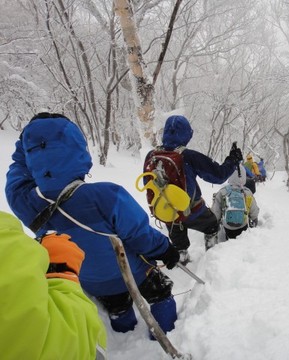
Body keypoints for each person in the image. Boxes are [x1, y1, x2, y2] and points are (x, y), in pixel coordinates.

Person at [5, 112, 180, 336]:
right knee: (161, 292)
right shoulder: (106, 195)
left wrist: (27, 145)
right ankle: (165, 335)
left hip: (89, 280)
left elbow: (16, 181)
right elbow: (141, 236)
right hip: (133, 272)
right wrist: (165, 249)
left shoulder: (26, 203)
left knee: (117, 305)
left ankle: (124, 330)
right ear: (78, 147)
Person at [0, 210, 107, 360]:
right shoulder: (6, 236)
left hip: (92, 281)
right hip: (114, 279)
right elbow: (76, 346)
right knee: (122, 309)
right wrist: (62, 274)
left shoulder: (18, 200)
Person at [144, 115, 243, 263]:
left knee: (176, 226)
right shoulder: (188, 156)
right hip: (192, 211)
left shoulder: (151, 155)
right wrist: (232, 160)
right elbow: (219, 175)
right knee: (212, 225)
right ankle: (212, 259)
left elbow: (147, 181)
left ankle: (182, 256)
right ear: (186, 134)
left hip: (165, 209)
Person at [211, 166, 260, 240]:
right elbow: (254, 211)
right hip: (243, 225)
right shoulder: (247, 192)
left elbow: (216, 212)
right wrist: (254, 219)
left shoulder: (222, 192)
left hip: (228, 226)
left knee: (228, 233)